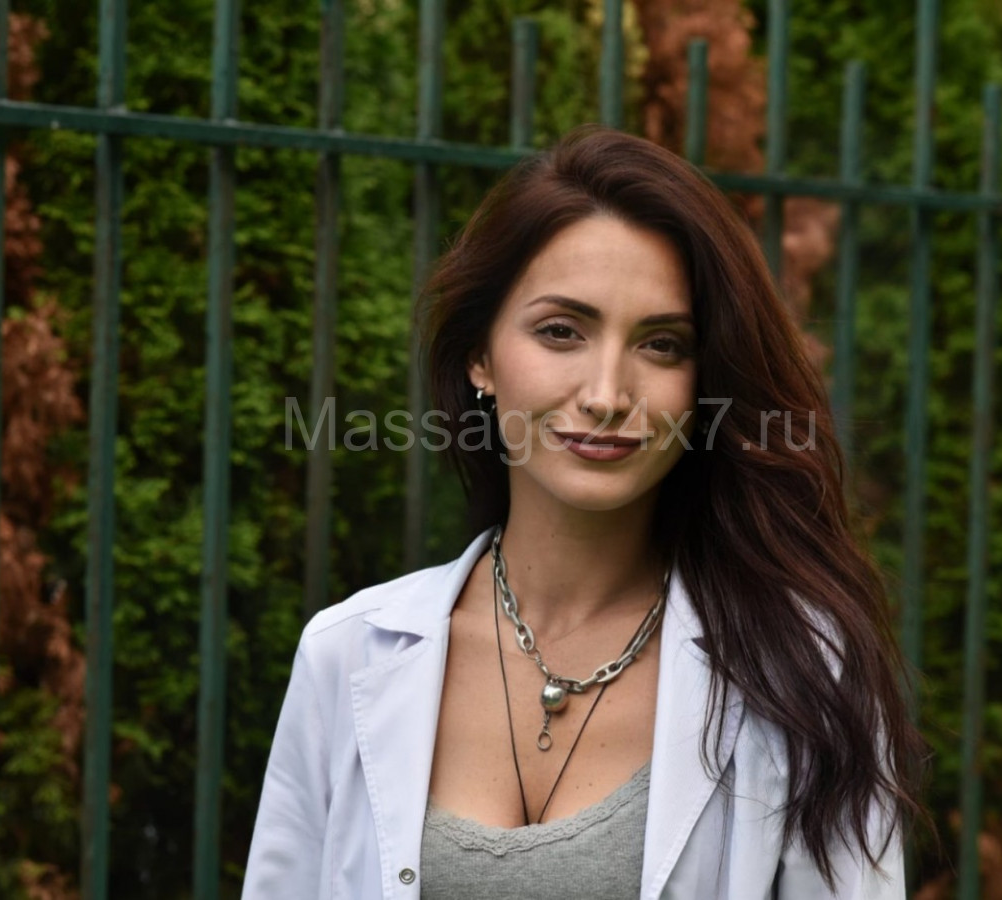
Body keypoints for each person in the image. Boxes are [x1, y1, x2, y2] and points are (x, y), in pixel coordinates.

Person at [240, 125, 932, 899]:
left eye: (662, 344)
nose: (606, 395)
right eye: (561, 331)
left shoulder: (798, 672)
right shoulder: (346, 656)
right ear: (479, 357)